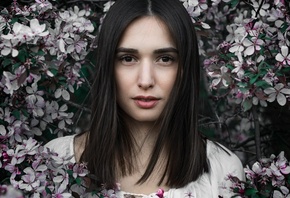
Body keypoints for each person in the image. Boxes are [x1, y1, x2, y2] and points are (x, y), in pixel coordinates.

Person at [45, 0, 245, 197]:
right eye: (128, 58)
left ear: (184, 69)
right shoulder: (58, 160)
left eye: (165, 59)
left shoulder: (222, 171)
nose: (146, 80)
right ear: (108, 67)